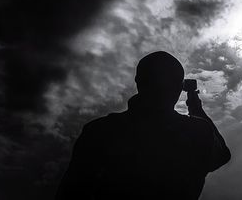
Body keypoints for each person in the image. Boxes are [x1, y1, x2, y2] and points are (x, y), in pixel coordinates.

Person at [56, 51, 231, 200]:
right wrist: (195, 106)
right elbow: (221, 155)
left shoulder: (100, 131)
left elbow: (70, 191)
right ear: (179, 88)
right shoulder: (196, 132)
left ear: (139, 81)